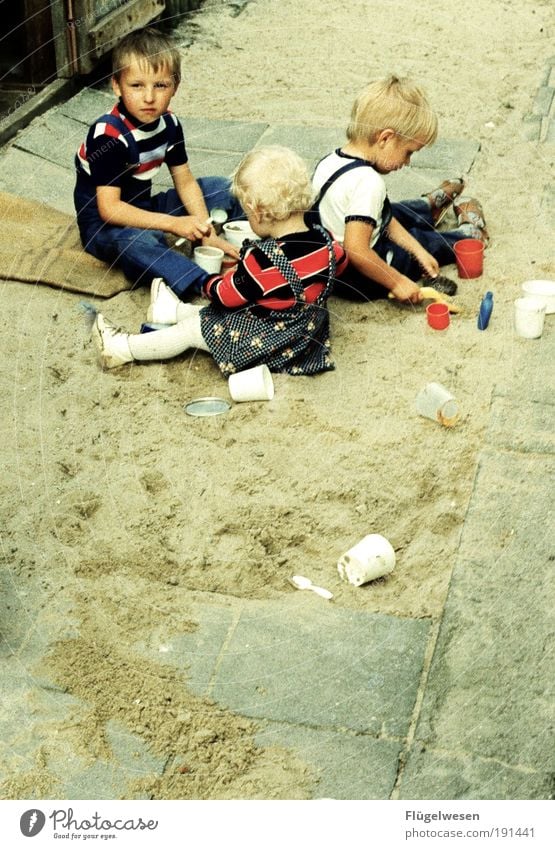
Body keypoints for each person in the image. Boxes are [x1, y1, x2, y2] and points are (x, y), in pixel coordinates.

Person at [91, 145, 348, 376]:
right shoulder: (328, 244)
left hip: (268, 342)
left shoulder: (263, 261)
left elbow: (226, 297)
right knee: (242, 306)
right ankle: (171, 311)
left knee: (192, 330)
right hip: (303, 334)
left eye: (247, 213)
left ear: (257, 211)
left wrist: (215, 282)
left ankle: (123, 348)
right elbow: (341, 263)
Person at [74, 27, 243, 299]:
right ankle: (203, 283)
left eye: (160, 85)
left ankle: (246, 239)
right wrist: (173, 224)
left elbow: (185, 180)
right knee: (137, 242)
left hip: (144, 206)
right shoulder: (109, 136)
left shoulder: (169, 124)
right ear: (116, 85)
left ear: (175, 86)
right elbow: (110, 209)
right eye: (137, 85)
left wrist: (204, 229)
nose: (149, 97)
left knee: (221, 187)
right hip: (106, 226)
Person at [309, 75, 489, 304]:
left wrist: (417, 252)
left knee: (391, 210)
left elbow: (382, 218)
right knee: (423, 239)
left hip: (335, 265)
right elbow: (357, 251)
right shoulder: (368, 182)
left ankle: (426, 208)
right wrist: (397, 280)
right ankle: (467, 235)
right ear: (385, 138)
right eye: (408, 152)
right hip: (364, 276)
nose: (408, 162)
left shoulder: (331, 160)